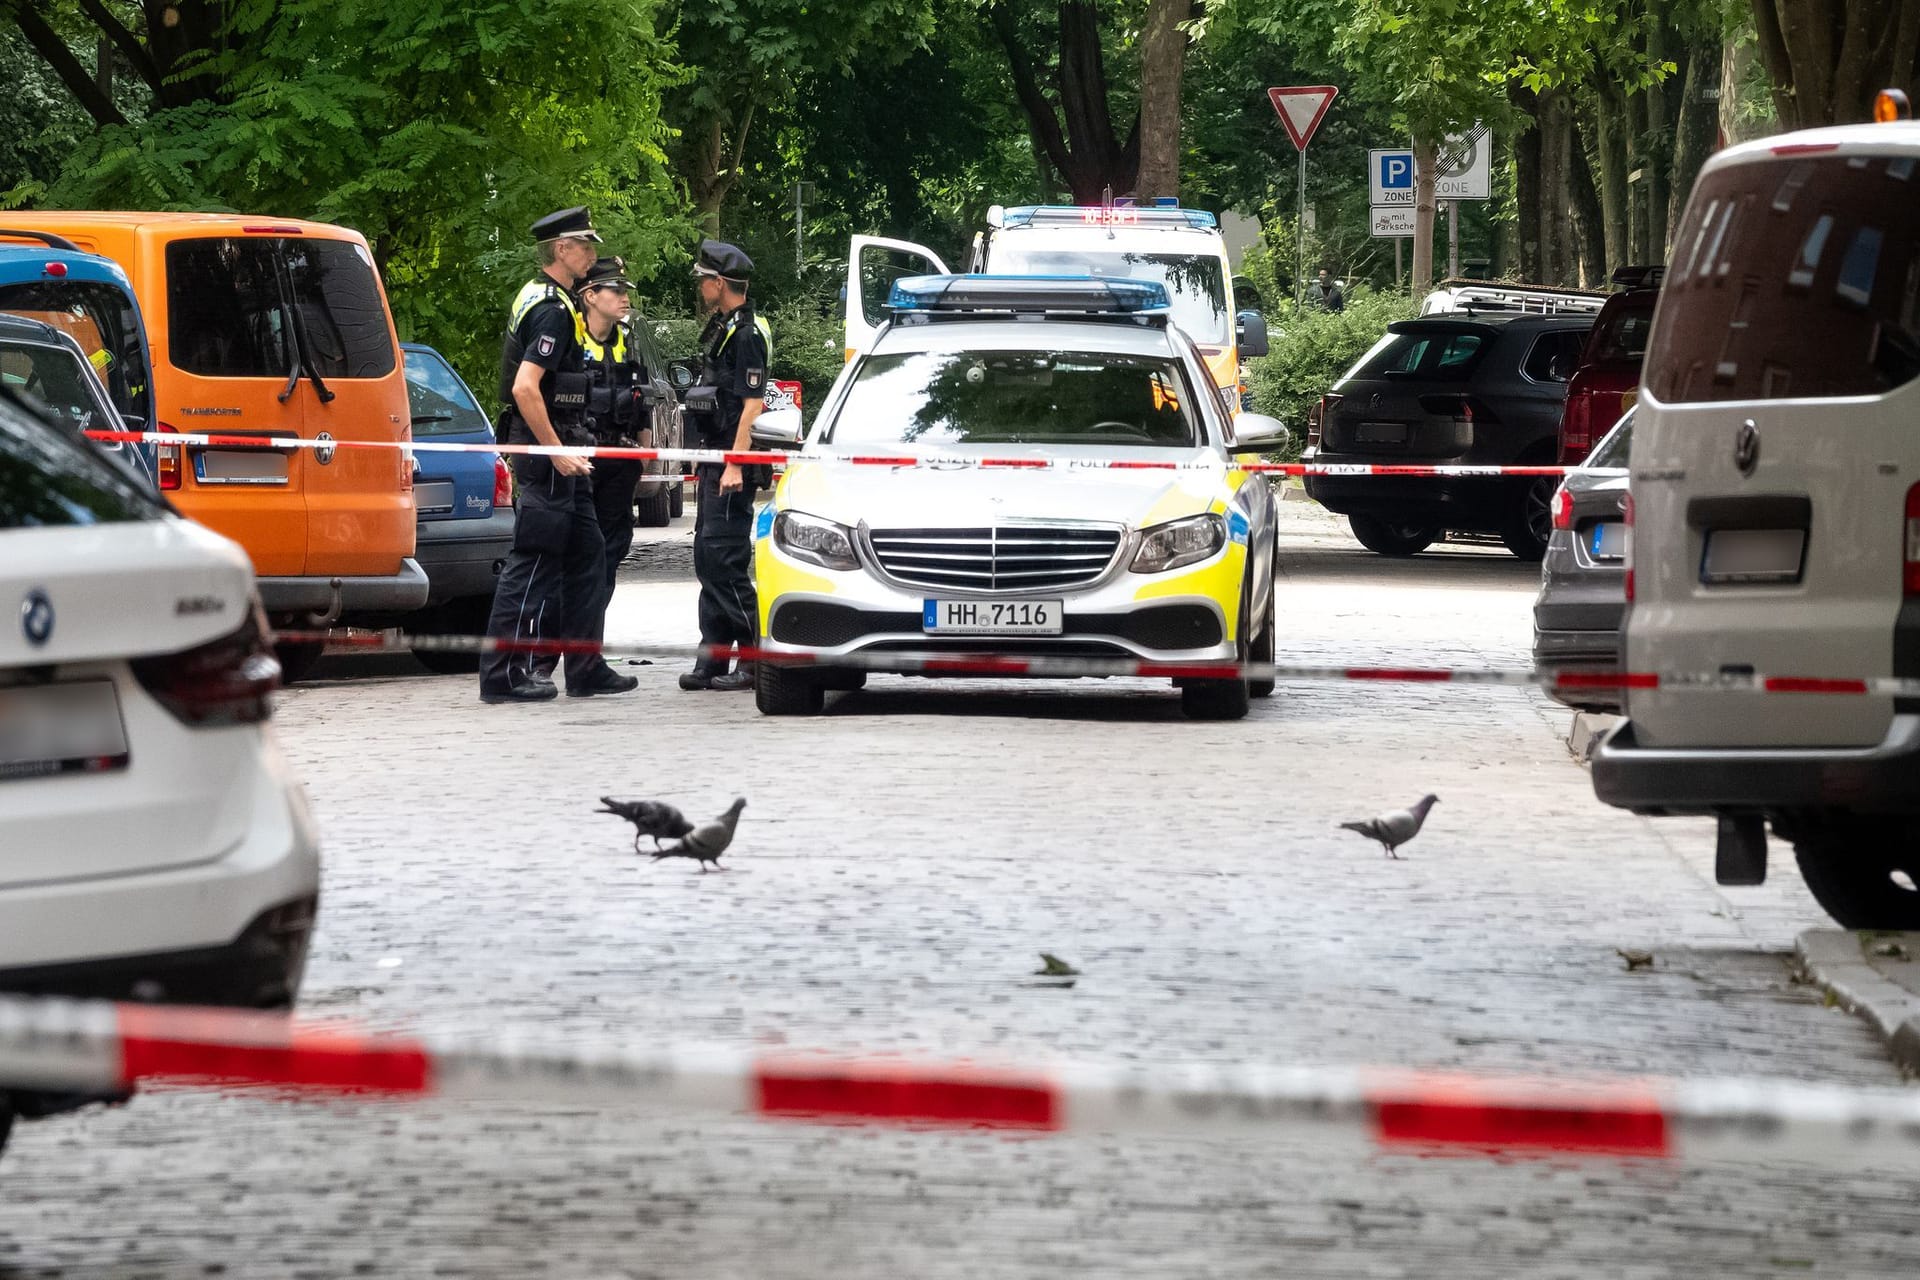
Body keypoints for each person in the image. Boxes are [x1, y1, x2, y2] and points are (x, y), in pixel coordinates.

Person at [477, 206, 638, 704]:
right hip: (550, 451)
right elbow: (527, 388)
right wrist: (556, 451)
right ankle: (502, 674)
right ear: (562, 250)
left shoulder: (553, 299)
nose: (593, 252)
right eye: (585, 245)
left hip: (565, 449)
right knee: (535, 560)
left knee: (590, 556)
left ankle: (584, 667)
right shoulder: (551, 308)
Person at [679, 239, 769, 692]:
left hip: (733, 464)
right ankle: (712, 656)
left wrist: (734, 463)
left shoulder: (748, 333)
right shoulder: (724, 327)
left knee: (725, 560)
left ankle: (754, 660)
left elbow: (752, 405)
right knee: (706, 558)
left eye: (703, 280)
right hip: (716, 458)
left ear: (719, 282)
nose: (700, 286)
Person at [576, 255, 649, 610]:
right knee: (580, 551)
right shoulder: (569, 339)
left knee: (612, 548)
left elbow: (644, 405)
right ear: (590, 295)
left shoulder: (628, 342)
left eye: (626, 290)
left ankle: (591, 644)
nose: (625, 298)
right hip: (581, 464)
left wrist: (644, 457)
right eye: (616, 290)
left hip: (620, 465)